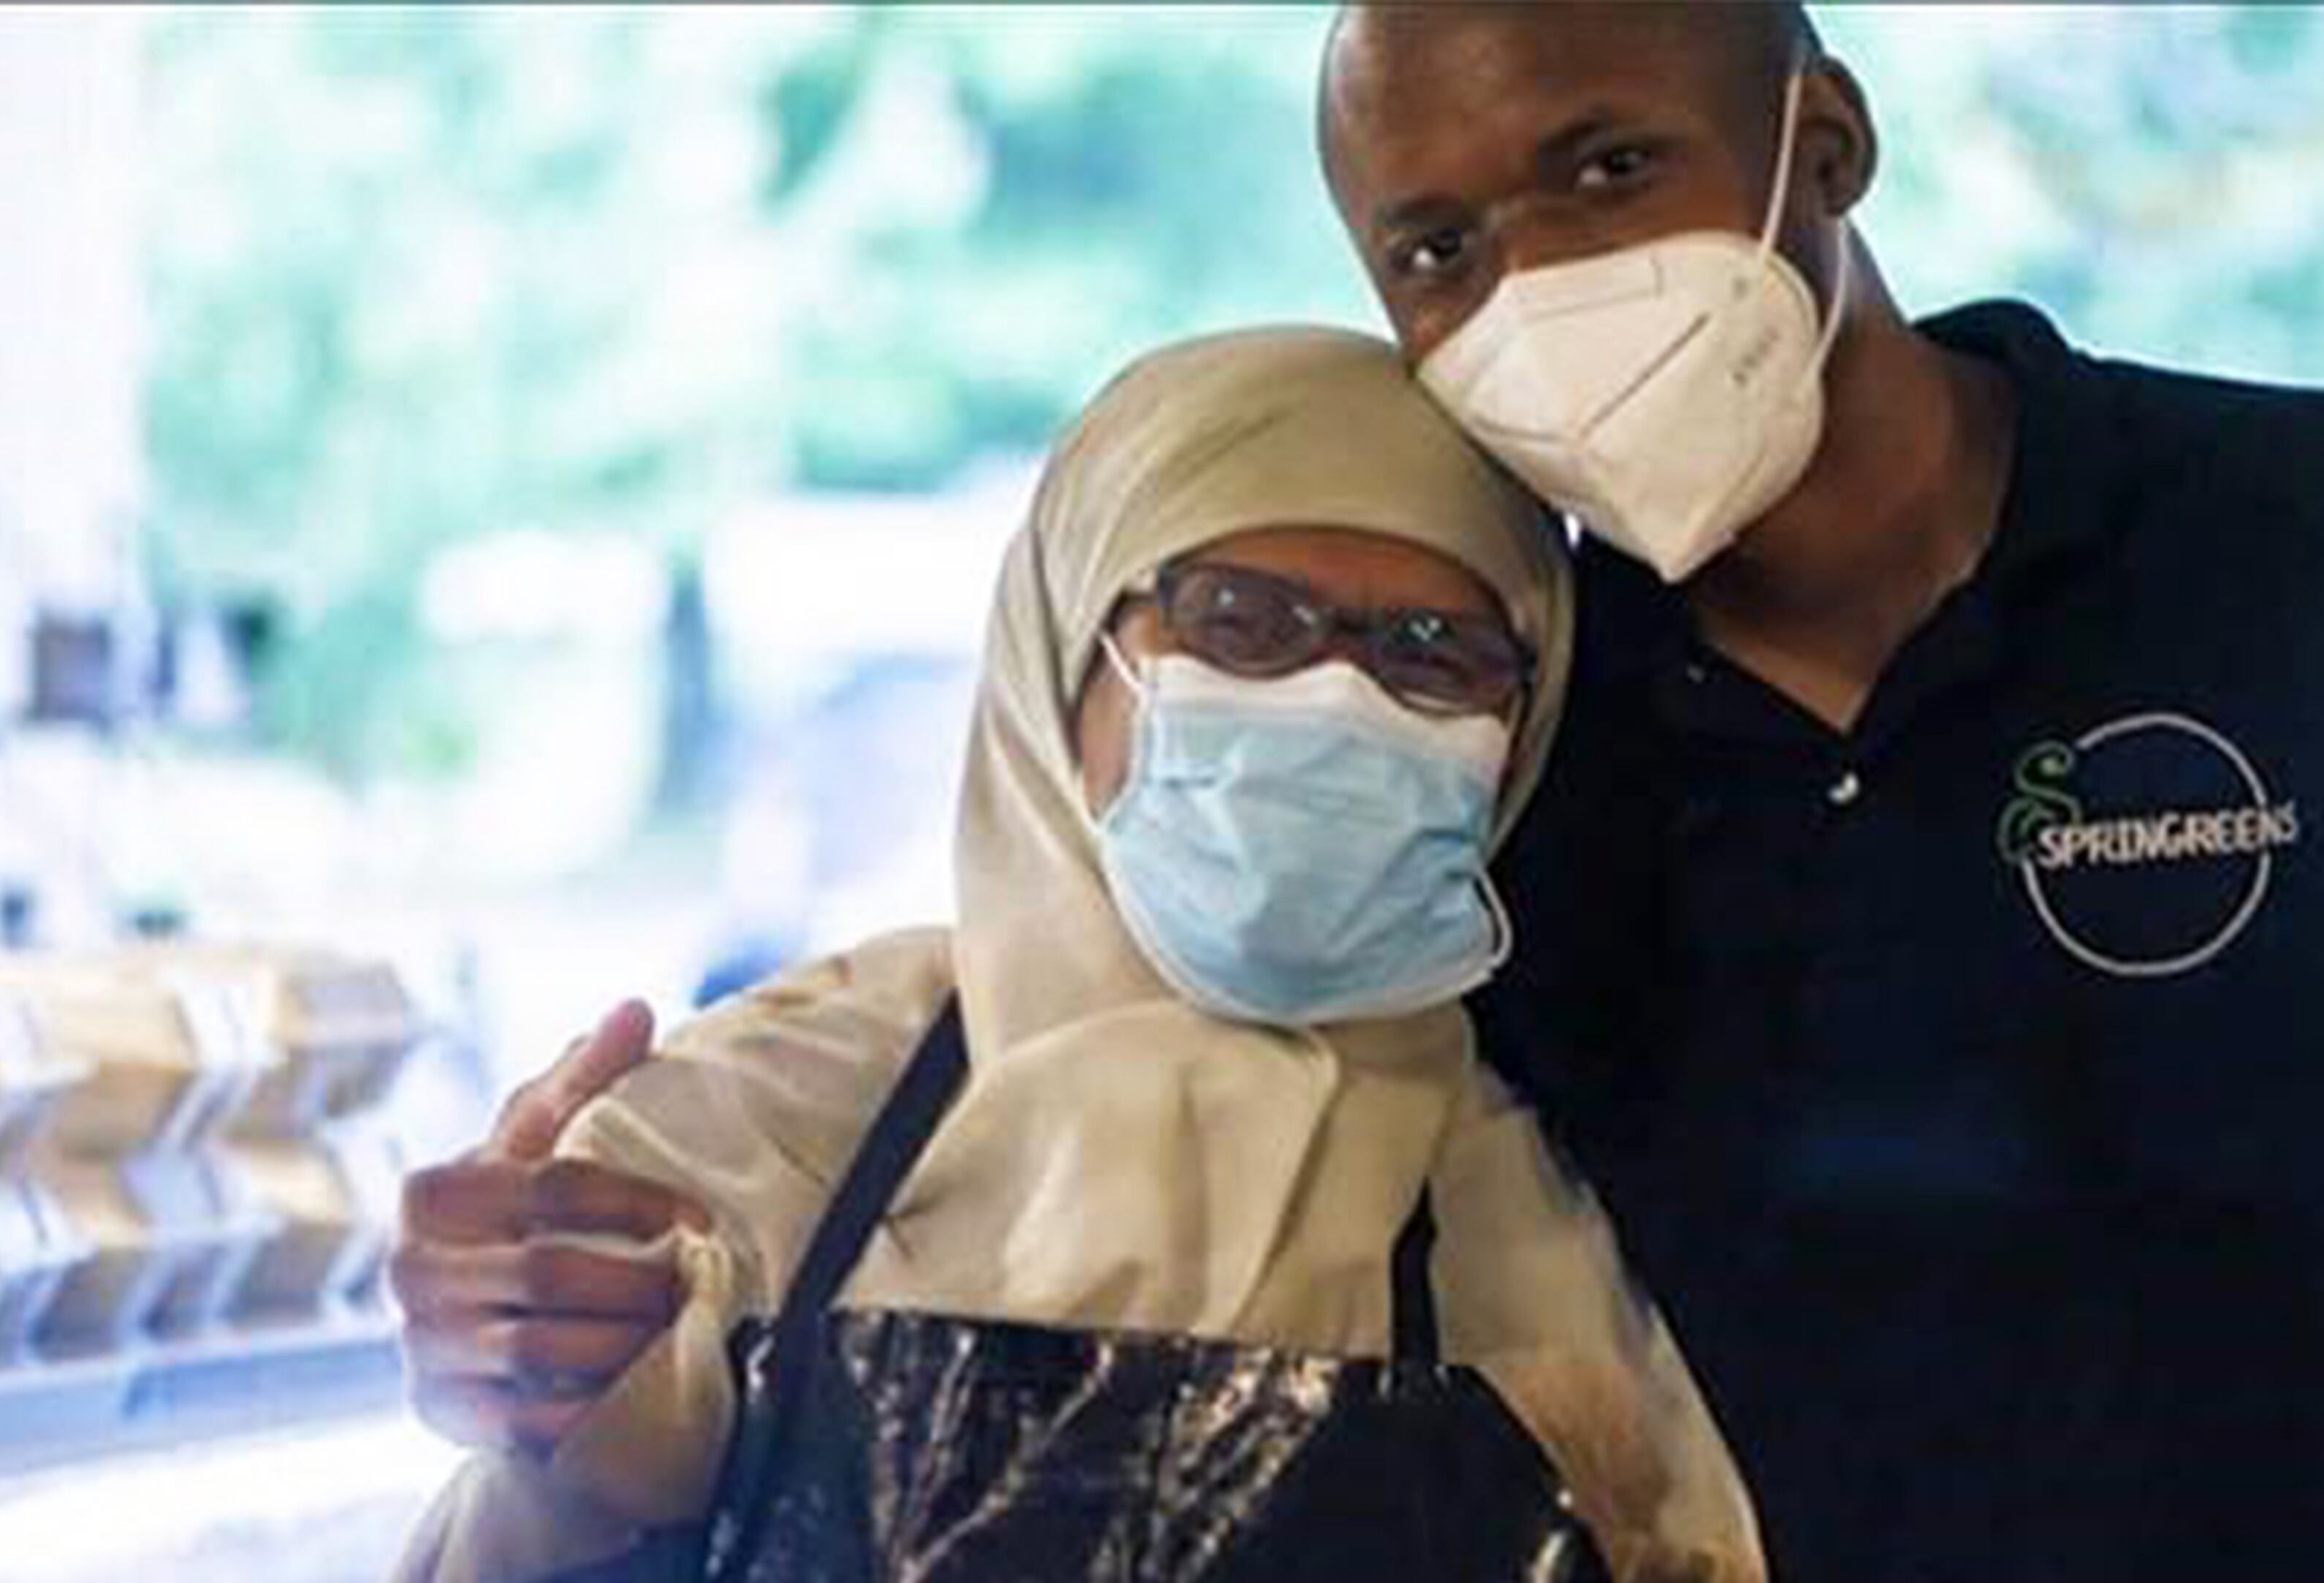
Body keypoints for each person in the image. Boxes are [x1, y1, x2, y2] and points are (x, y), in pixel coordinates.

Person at [402, 5, 2324, 1578]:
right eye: (1436, 246)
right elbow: (1114, 1075)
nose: (1536, 283)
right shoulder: (1498, 762)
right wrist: (586, 1317)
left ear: (1823, 140)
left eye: (1610, 167)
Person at [392, 325, 1759, 1583]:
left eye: (1434, 653)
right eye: (1242, 620)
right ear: (1068, 651)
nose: (1339, 699)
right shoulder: (781, 1118)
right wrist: (552, 1395)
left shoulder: (1524, 1212)